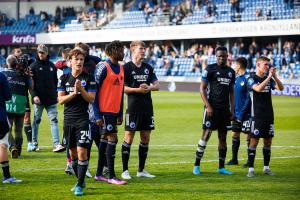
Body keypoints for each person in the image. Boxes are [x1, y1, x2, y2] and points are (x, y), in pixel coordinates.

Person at [57, 48, 96, 195]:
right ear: (70, 61)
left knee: (82, 152)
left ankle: (79, 184)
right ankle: (81, 179)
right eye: (76, 59)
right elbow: (60, 100)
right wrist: (73, 93)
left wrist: (82, 90)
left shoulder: (89, 77)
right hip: (68, 121)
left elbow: (91, 99)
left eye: (81, 59)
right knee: (72, 154)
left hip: (83, 120)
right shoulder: (64, 78)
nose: (79, 62)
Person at [193, 46, 235, 175]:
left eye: (224, 56)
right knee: (206, 135)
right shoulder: (210, 69)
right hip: (212, 109)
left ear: (227, 56)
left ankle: (221, 167)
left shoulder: (231, 72)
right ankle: (196, 165)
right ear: (216, 57)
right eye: (219, 56)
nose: (221, 58)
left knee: (223, 138)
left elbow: (232, 92)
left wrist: (232, 109)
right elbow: (202, 89)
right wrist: (208, 106)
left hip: (225, 111)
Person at [121, 41, 159, 180]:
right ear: (133, 50)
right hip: (133, 108)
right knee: (128, 137)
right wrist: (138, 90)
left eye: (144, 49)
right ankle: (125, 170)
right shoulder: (126, 68)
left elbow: (157, 85)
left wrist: (149, 88)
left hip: (147, 108)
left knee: (145, 137)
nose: (143, 51)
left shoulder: (148, 68)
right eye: (141, 49)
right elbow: (123, 89)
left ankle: (141, 170)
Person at [93, 40, 127, 185]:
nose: (123, 53)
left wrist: (120, 112)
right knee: (113, 138)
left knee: (105, 140)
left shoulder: (121, 68)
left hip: (114, 111)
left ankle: (99, 173)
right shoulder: (103, 66)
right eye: (121, 50)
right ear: (113, 50)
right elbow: (93, 91)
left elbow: (121, 92)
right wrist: (97, 114)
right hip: (104, 111)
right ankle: (111, 176)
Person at [246, 56, 284, 178]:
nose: (267, 67)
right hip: (256, 115)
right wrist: (269, 77)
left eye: (268, 65)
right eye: (265, 65)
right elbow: (257, 89)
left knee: (268, 141)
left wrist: (275, 77)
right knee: (254, 142)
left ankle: (266, 168)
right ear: (258, 65)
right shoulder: (251, 78)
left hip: (268, 115)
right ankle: (251, 169)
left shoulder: (270, 79)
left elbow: (281, 88)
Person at [30, 44, 65, 152]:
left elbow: (55, 81)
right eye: (39, 52)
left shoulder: (52, 66)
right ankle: (34, 143)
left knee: (54, 121)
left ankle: (56, 144)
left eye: (42, 52)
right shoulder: (33, 66)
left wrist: (55, 94)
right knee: (36, 121)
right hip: (38, 100)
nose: (40, 54)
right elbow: (31, 84)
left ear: (46, 53)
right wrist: (34, 95)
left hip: (51, 99)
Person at [2, 55, 32, 158]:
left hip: (8, 104)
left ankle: (12, 147)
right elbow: (31, 87)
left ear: (7, 64)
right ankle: (18, 150)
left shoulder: (3, 74)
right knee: (18, 130)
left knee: (8, 129)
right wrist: (29, 76)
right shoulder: (23, 75)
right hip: (20, 105)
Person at [227, 57, 251, 166]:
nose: (234, 67)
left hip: (246, 114)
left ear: (239, 66)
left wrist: (242, 113)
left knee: (248, 136)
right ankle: (234, 159)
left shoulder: (248, 79)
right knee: (235, 135)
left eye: (235, 65)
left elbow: (249, 98)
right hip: (236, 113)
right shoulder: (236, 79)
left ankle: (250, 161)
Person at [0, 71, 22, 183]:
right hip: (0, 116)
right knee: (3, 145)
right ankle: (7, 176)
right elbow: (8, 96)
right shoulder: (1, 76)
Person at [11, 46, 34, 152]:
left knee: (8, 128)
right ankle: (17, 148)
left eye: (20, 52)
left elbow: (31, 87)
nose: (20, 53)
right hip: (17, 102)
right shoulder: (13, 71)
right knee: (16, 128)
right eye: (18, 52)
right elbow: (31, 87)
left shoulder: (10, 73)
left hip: (17, 101)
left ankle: (17, 146)